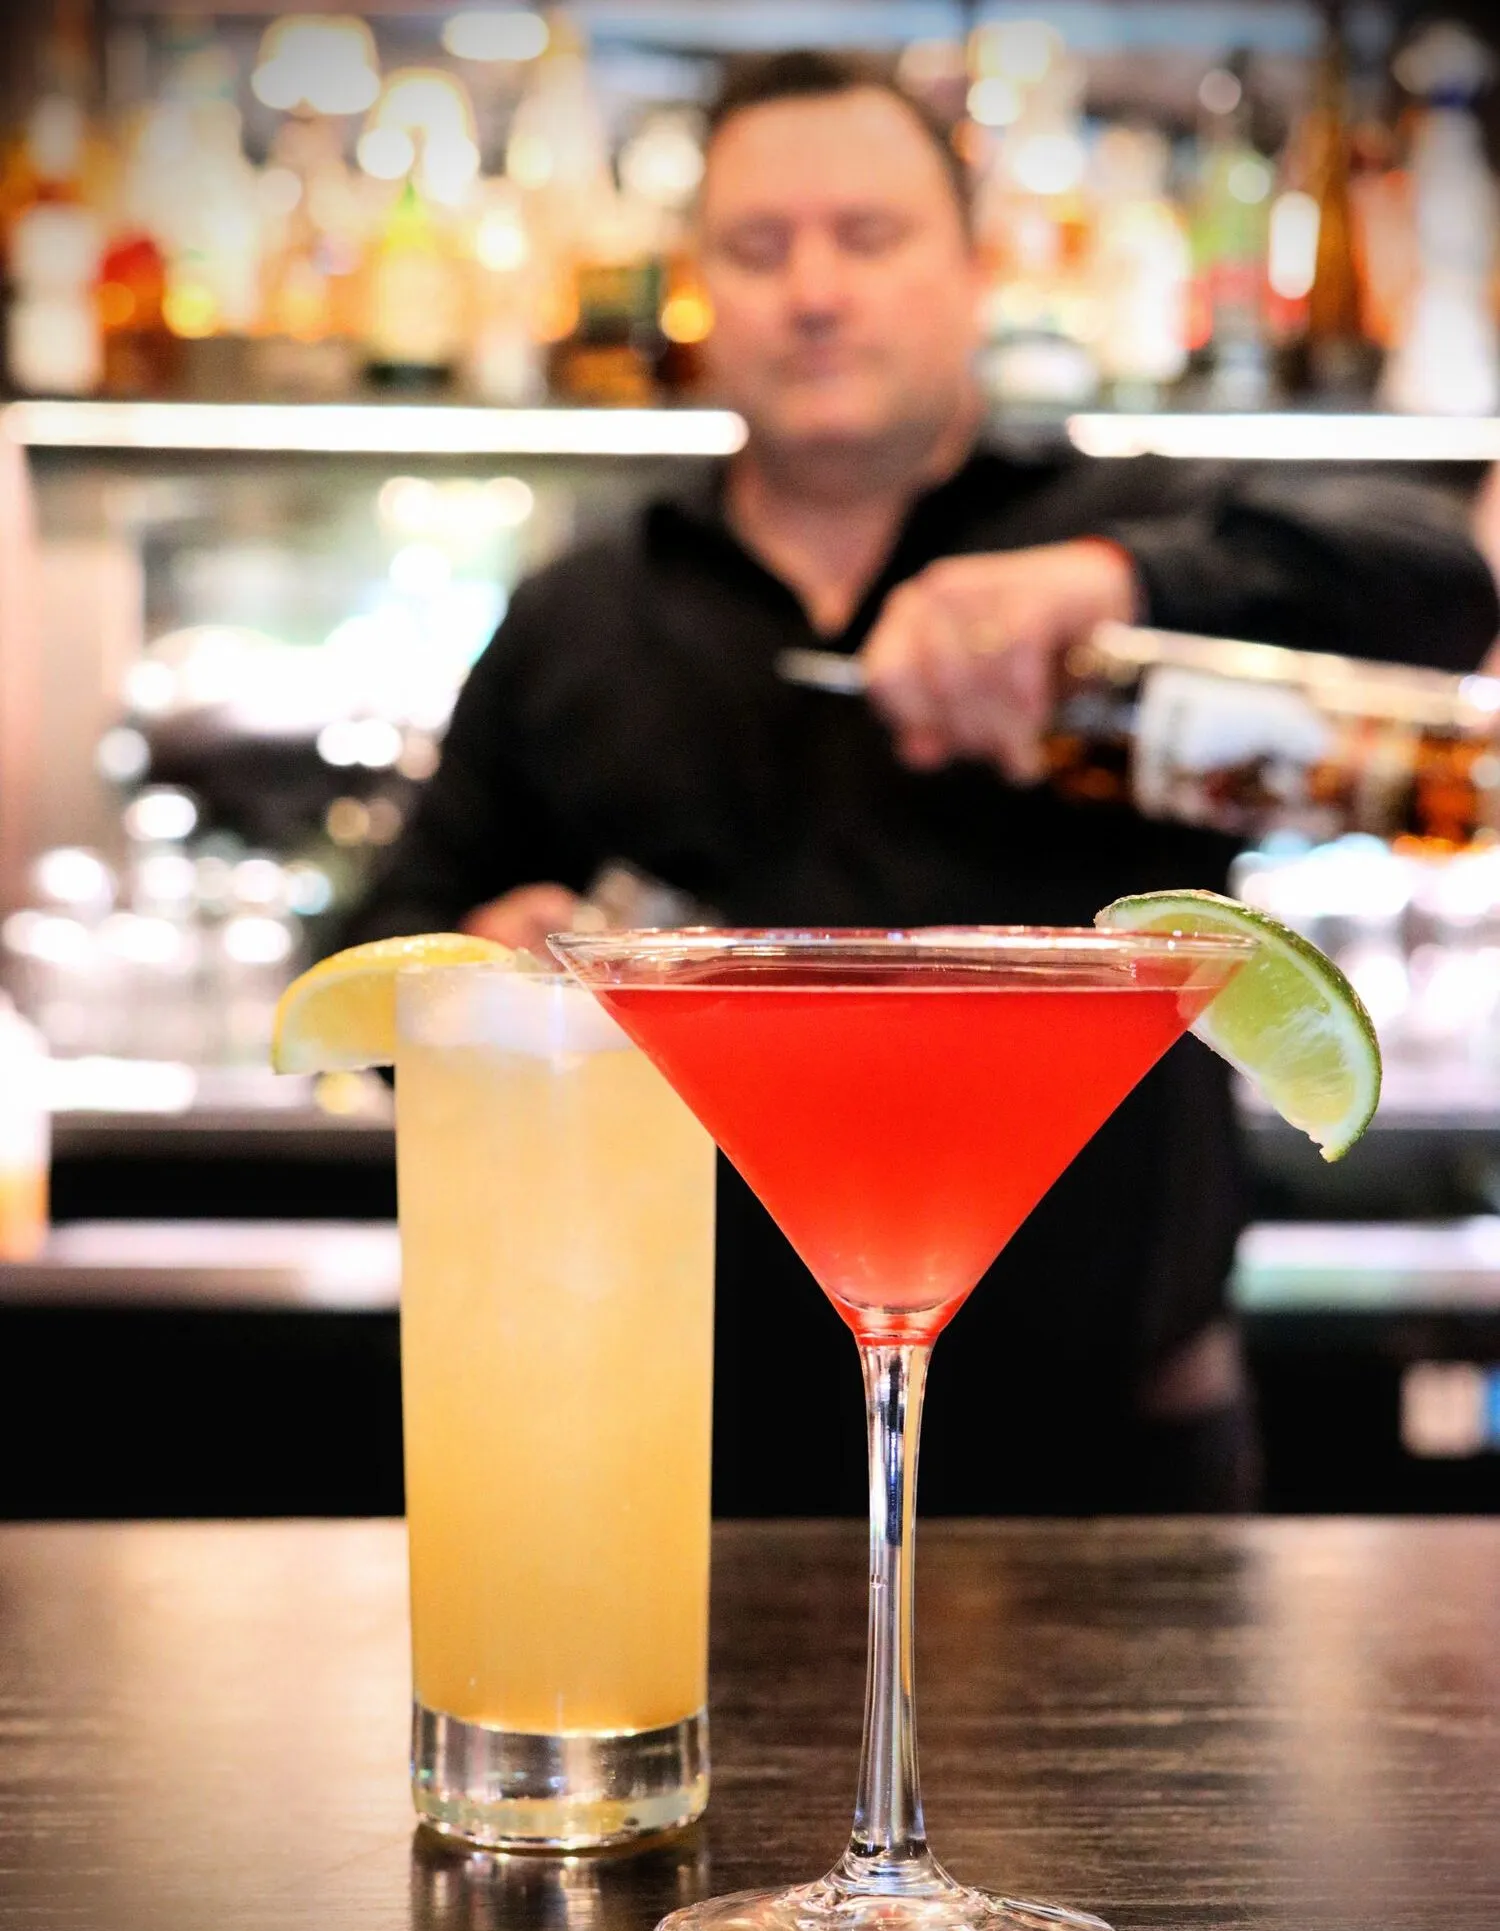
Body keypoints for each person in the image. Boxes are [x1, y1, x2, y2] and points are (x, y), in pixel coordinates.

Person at [354, 51, 1498, 1514]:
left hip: (1112, 1465)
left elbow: (1438, 582)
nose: (814, 289)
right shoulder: (585, 610)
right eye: (759, 249)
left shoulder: (1119, 525)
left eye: (869, 236)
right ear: (702, 288)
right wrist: (484, 979)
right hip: (692, 1471)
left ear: (975, 269)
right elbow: (378, 948)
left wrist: (1110, 587)